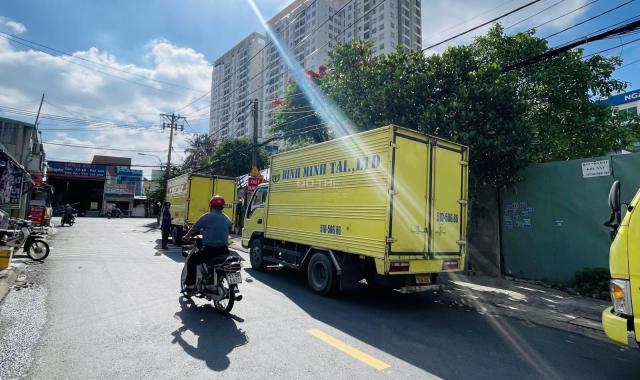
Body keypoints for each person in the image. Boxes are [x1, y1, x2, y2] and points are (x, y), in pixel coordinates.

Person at [182, 195, 231, 292]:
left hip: (210, 250)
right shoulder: (227, 218)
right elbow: (228, 230)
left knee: (191, 261)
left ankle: (191, 287)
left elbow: (193, 229)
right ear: (222, 207)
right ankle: (211, 280)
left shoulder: (206, 217)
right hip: (224, 250)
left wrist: (186, 237)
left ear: (211, 206)